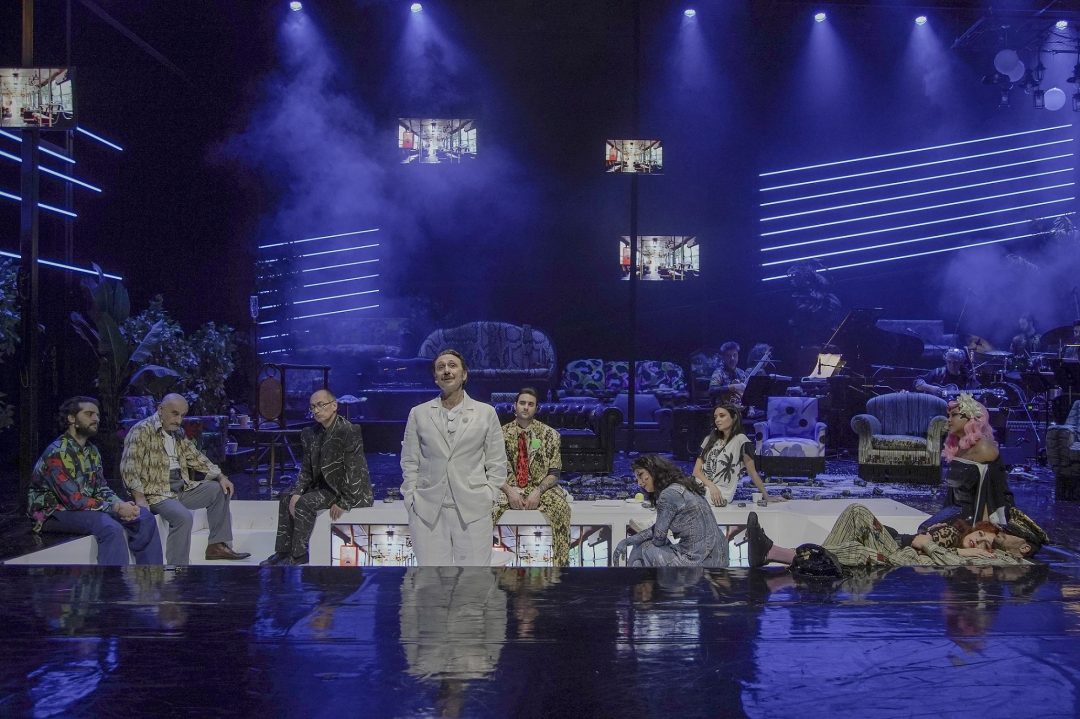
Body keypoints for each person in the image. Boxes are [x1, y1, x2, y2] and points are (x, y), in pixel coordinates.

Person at [400, 349, 507, 566]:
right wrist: (411, 498)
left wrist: (489, 495)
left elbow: (497, 462)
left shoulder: (485, 413)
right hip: (428, 511)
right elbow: (410, 460)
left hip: (473, 509)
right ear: (435, 377)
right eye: (441, 367)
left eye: (452, 365)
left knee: (474, 581)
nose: (446, 371)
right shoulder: (418, 413)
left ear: (464, 374)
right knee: (431, 581)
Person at [28, 397, 163, 565]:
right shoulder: (57, 452)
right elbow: (73, 500)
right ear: (72, 418)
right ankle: (112, 580)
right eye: (89, 414)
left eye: (97, 415)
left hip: (83, 507)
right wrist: (116, 508)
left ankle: (149, 576)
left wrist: (122, 505)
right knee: (110, 528)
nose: (96, 419)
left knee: (145, 517)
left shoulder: (92, 451)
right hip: (53, 513)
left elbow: (100, 488)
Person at [120, 393, 251, 564]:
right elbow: (129, 467)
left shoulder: (178, 432)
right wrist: (139, 498)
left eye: (182, 415)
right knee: (184, 518)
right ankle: (178, 569)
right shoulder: (142, 430)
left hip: (181, 487)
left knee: (219, 490)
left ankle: (217, 545)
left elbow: (195, 456)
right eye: (175, 414)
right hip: (156, 493)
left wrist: (220, 476)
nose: (178, 420)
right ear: (160, 409)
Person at [262, 389, 373, 566]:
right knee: (287, 498)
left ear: (334, 406)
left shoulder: (348, 431)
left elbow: (354, 469)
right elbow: (306, 469)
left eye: (321, 405)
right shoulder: (310, 434)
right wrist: (297, 491)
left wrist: (345, 502)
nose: (316, 410)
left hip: (343, 490)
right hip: (322, 485)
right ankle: (283, 551)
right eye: (313, 407)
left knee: (305, 503)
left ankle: (299, 554)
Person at [745, 504, 1027, 570]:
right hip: (900, 550)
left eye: (988, 543)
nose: (979, 542)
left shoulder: (997, 560)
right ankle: (811, 561)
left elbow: (938, 556)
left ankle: (774, 552)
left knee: (855, 551)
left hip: (903, 562)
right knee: (856, 512)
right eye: (981, 535)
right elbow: (925, 532)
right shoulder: (959, 533)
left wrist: (931, 545)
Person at [494, 387, 571, 566]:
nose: (526, 407)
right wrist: (509, 491)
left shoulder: (550, 435)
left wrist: (537, 491)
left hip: (540, 487)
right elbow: (492, 470)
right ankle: (479, 563)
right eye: (522, 403)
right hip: (507, 487)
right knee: (485, 509)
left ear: (536, 408)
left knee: (562, 508)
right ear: (515, 406)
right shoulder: (499, 434)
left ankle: (561, 566)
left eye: (530, 404)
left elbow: (554, 473)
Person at [613, 455, 726, 568]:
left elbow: (658, 539)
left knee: (643, 547)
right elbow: (658, 531)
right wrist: (629, 541)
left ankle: (626, 576)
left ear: (653, 470)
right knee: (642, 550)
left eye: (641, 475)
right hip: (720, 556)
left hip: (699, 560)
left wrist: (633, 541)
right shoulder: (684, 486)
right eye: (637, 479)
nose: (639, 483)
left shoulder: (668, 494)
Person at [692, 403, 777, 506]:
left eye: (722, 416)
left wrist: (766, 496)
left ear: (734, 417)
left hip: (721, 492)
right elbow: (696, 472)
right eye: (715, 417)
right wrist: (711, 486)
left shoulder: (741, 441)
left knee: (687, 498)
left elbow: (752, 473)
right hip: (700, 486)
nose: (717, 420)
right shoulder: (709, 439)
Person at [913, 348, 979, 397]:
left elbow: (976, 393)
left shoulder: (967, 376)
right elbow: (917, 383)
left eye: (955, 362)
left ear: (961, 362)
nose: (952, 365)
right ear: (946, 361)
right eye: (949, 362)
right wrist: (932, 389)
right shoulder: (938, 372)